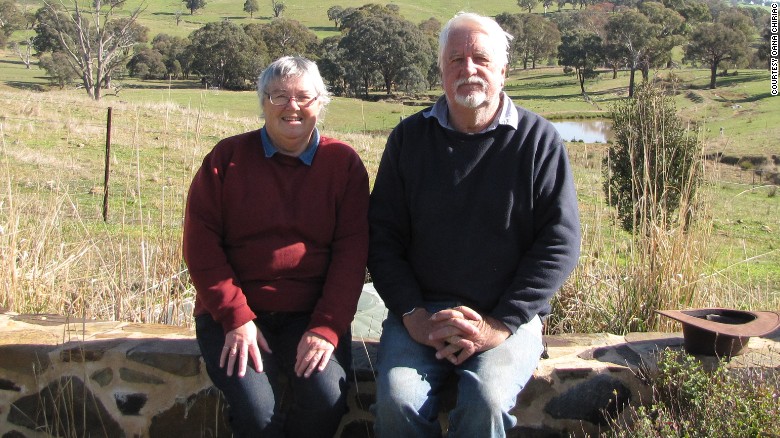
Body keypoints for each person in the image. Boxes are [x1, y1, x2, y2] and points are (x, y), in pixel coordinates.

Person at [368, 12, 581, 438]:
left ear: (503, 70)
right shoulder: (409, 139)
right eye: (455, 60)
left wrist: (499, 324)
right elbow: (382, 236)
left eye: (481, 58)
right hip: (421, 312)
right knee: (395, 401)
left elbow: (559, 243)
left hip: (507, 317)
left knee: (485, 403)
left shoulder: (537, 141)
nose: (468, 69)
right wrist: (413, 315)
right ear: (441, 71)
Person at [183, 56, 369, 438]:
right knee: (257, 414)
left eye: (304, 96)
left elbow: (352, 255)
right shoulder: (226, 159)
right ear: (263, 102)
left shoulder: (344, 165)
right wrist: (236, 318)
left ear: (321, 102)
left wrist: (326, 327)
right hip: (232, 316)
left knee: (325, 400)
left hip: (310, 315)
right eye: (279, 96)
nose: (292, 106)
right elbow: (200, 245)